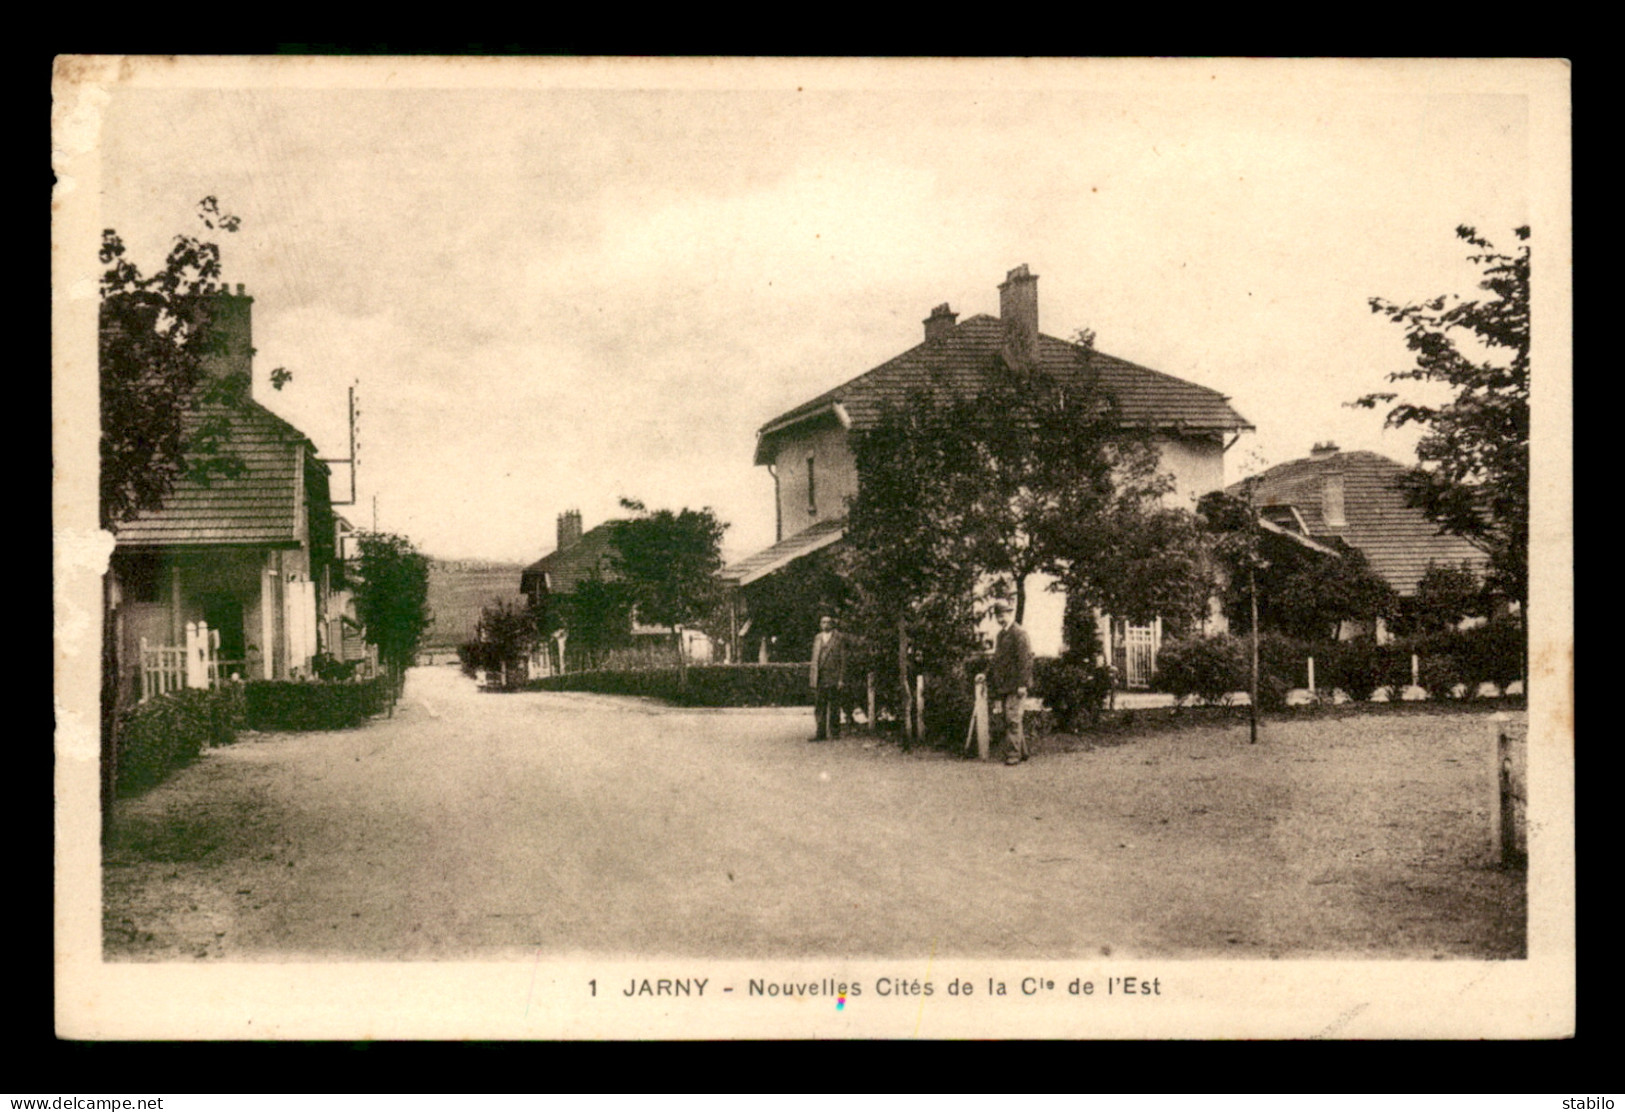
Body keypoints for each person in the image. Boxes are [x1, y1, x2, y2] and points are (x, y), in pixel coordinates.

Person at [989, 602, 1034, 765]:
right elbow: (997, 660)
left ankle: (1013, 755)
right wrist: (987, 676)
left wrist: (1022, 684)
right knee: (1010, 718)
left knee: (1012, 719)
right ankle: (1023, 751)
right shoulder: (1001, 635)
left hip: (1016, 685)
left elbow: (1025, 660)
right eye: (997, 616)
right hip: (1005, 684)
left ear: (1010, 614)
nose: (1000, 619)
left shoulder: (1019, 633)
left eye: (1003, 615)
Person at [809, 614, 848, 741]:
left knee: (834, 706)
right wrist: (813, 677)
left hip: (833, 677)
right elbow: (815, 659)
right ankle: (820, 733)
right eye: (823, 622)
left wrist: (841, 679)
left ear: (832, 624)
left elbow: (843, 660)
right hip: (820, 677)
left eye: (828, 622)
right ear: (820, 624)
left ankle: (835, 732)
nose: (825, 625)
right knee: (819, 706)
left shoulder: (839, 638)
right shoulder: (818, 638)